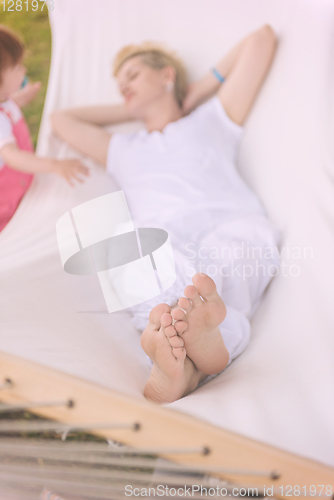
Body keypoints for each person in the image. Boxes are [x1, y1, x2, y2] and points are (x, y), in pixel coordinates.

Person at [51, 25, 281, 404]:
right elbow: (61, 120)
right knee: (140, 256)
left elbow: (262, 39)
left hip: (230, 228)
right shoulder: (122, 147)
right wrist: (133, 105)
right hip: (163, 245)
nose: (123, 86)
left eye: (133, 75)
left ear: (166, 75)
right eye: (119, 83)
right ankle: (190, 356)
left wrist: (196, 91)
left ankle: (182, 356)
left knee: (219, 277)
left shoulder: (213, 119)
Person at [0, 25, 89, 232]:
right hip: (6, 198)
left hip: (18, 187)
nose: (24, 70)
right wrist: (55, 165)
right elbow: (12, 156)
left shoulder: (5, 100)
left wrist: (21, 98)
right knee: (12, 236)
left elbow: (8, 108)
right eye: (18, 67)